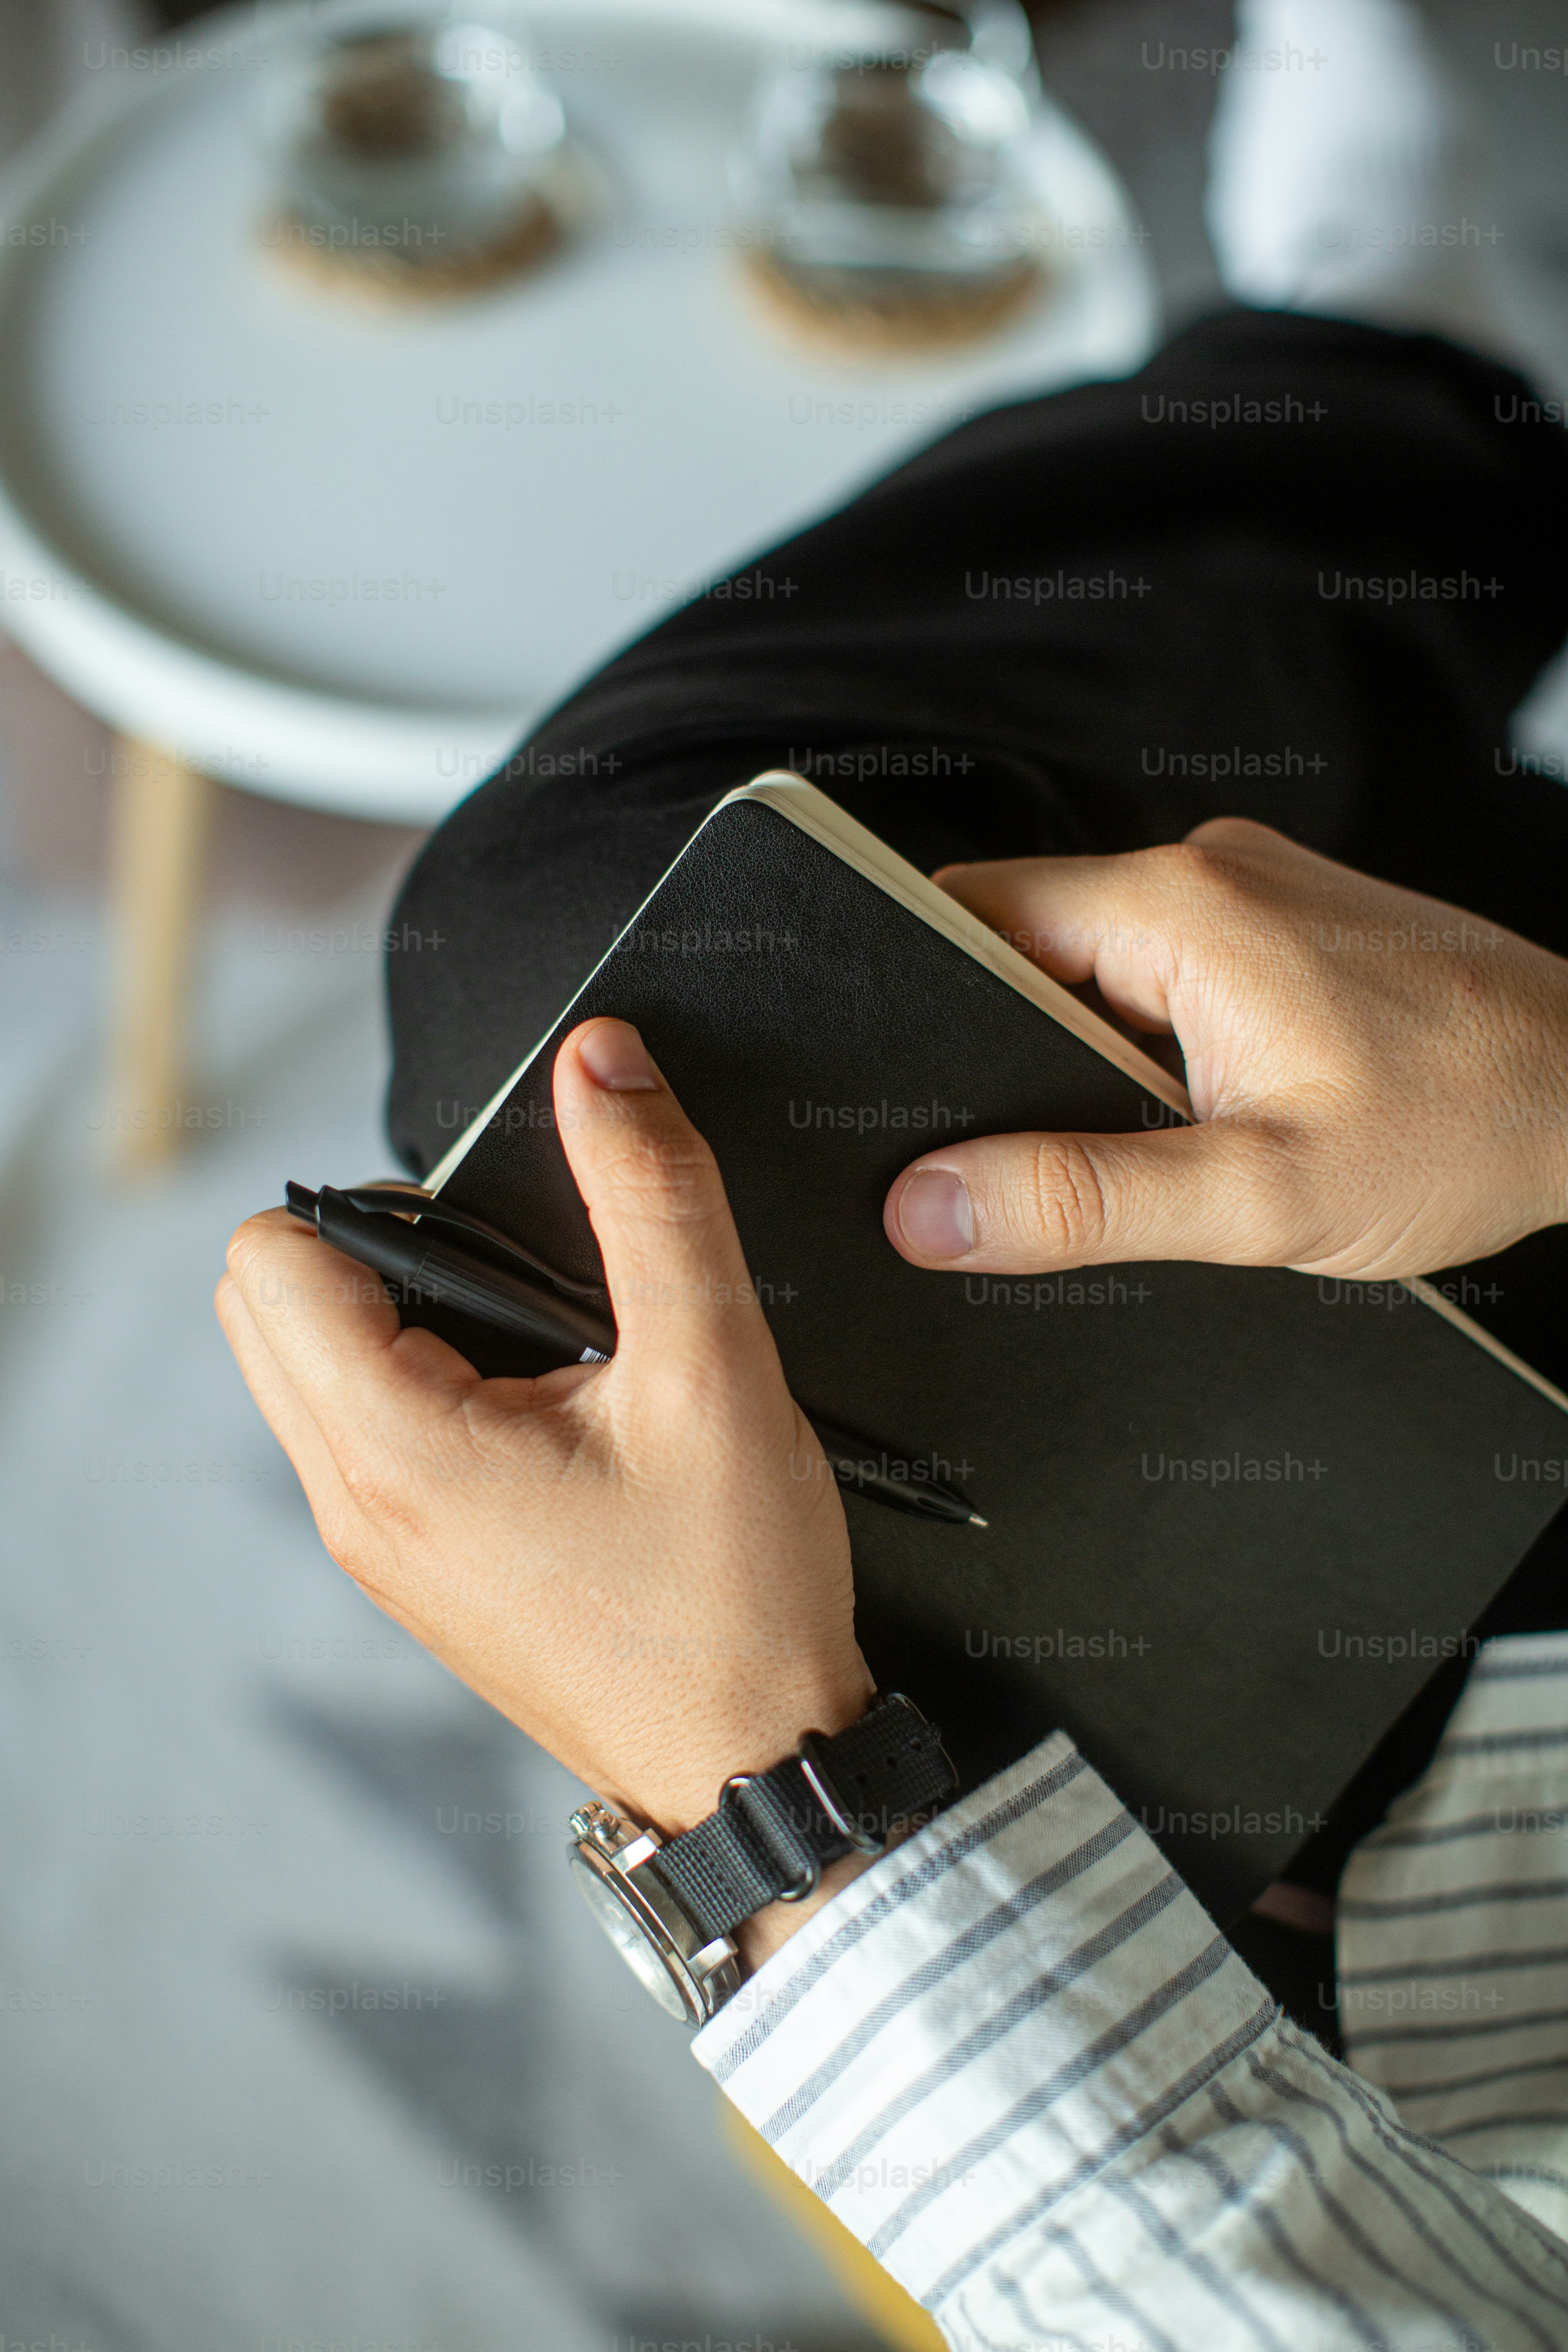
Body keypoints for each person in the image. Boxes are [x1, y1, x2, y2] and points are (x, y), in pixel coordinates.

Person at [219, 1, 1568, 2341]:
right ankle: (1378, 407)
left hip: (1357, 1958)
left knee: (584, 964)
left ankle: (1363, 386)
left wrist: (765, 1803)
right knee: (858, 957)